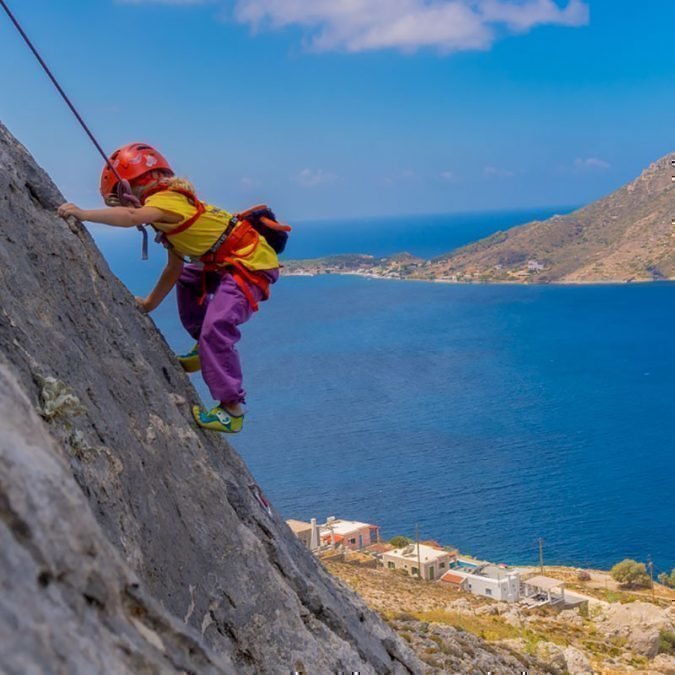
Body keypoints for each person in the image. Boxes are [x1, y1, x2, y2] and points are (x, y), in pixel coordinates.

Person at [57, 142, 285, 434]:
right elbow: (173, 269)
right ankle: (203, 347)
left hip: (251, 265)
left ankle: (232, 409)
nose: (125, 206)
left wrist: (84, 214)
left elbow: (132, 218)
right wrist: (149, 305)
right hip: (231, 258)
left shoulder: (166, 202)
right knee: (190, 278)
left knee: (217, 329)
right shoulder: (170, 212)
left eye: (121, 199)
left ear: (134, 186)